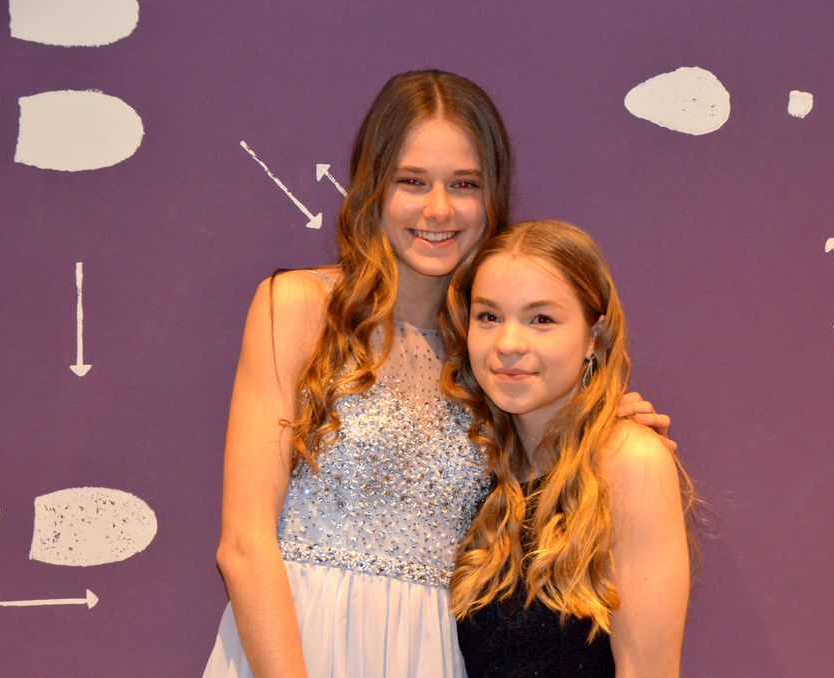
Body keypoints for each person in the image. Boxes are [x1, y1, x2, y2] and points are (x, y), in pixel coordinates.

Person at [203, 72, 673, 678]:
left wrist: (609, 426)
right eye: (413, 181)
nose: (439, 209)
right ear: (373, 186)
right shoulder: (300, 307)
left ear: (492, 195)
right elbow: (243, 546)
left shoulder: (488, 354)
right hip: (297, 643)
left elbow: (550, 462)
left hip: (435, 653)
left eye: (464, 184)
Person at [443, 220, 698, 677]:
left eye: (542, 319)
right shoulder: (478, 471)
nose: (508, 344)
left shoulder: (629, 461)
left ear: (594, 337)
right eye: (489, 317)